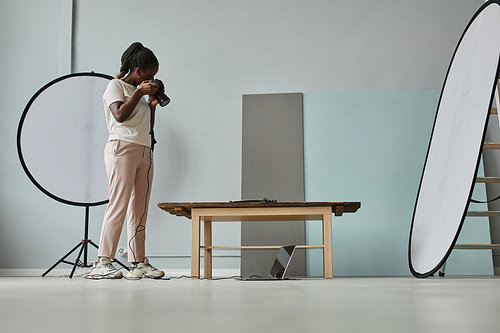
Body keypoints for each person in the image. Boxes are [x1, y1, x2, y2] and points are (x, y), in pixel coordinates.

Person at [89, 42, 165, 279]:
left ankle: (138, 262)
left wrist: (152, 106)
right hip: (121, 148)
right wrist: (140, 94)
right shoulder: (116, 85)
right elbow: (120, 116)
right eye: (150, 74)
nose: (152, 78)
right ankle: (103, 262)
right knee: (119, 204)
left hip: (144, 150)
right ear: (138, 71)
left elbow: (145, 127)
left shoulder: (143, 95)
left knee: (139, 209)